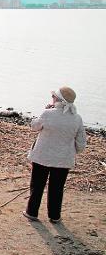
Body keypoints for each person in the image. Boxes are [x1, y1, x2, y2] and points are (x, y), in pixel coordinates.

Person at [23, 86, 87, 223]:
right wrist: (70, 150)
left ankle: (32, 212)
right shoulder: (77, 119)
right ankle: (54, 216)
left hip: (42, 157)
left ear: (57, 100)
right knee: (57, 189)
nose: (52, 98)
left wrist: (45, 110)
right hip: (63, 160)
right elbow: (81, 144)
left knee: (37, 185)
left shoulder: (48, 113)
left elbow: (34, 126)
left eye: (53, 97)